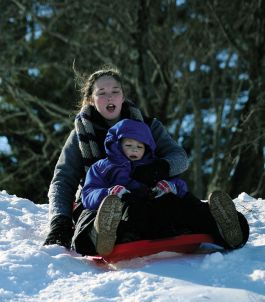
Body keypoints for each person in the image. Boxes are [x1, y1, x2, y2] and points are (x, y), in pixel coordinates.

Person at [43, 65, 189, 251]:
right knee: (91, 219)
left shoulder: (148, 127)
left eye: (115, 91)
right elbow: (63, 180)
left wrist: (160, 168)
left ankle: (216, 225)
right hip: (99, 201)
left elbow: (180, 157)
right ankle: (102, 234)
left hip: (145, 194)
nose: (110, 97)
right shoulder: (80, 136)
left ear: (123, 96)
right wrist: (60, 222)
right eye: (102, 93)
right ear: (91, 100)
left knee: (177, 205)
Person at [78, 118, 249, 256]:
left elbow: (180, 186)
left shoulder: (153, 166)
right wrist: (108, 193)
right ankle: (105, 234)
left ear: (147, 148)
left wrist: (171, 187)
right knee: (126, 212)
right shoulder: (102, 167)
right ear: (117, 144)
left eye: (139, 146)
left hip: (160, 212)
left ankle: (224, 227)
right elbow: (88, 193)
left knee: (184, 206)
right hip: (130, 212)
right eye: (128, 145)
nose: (134, 150)